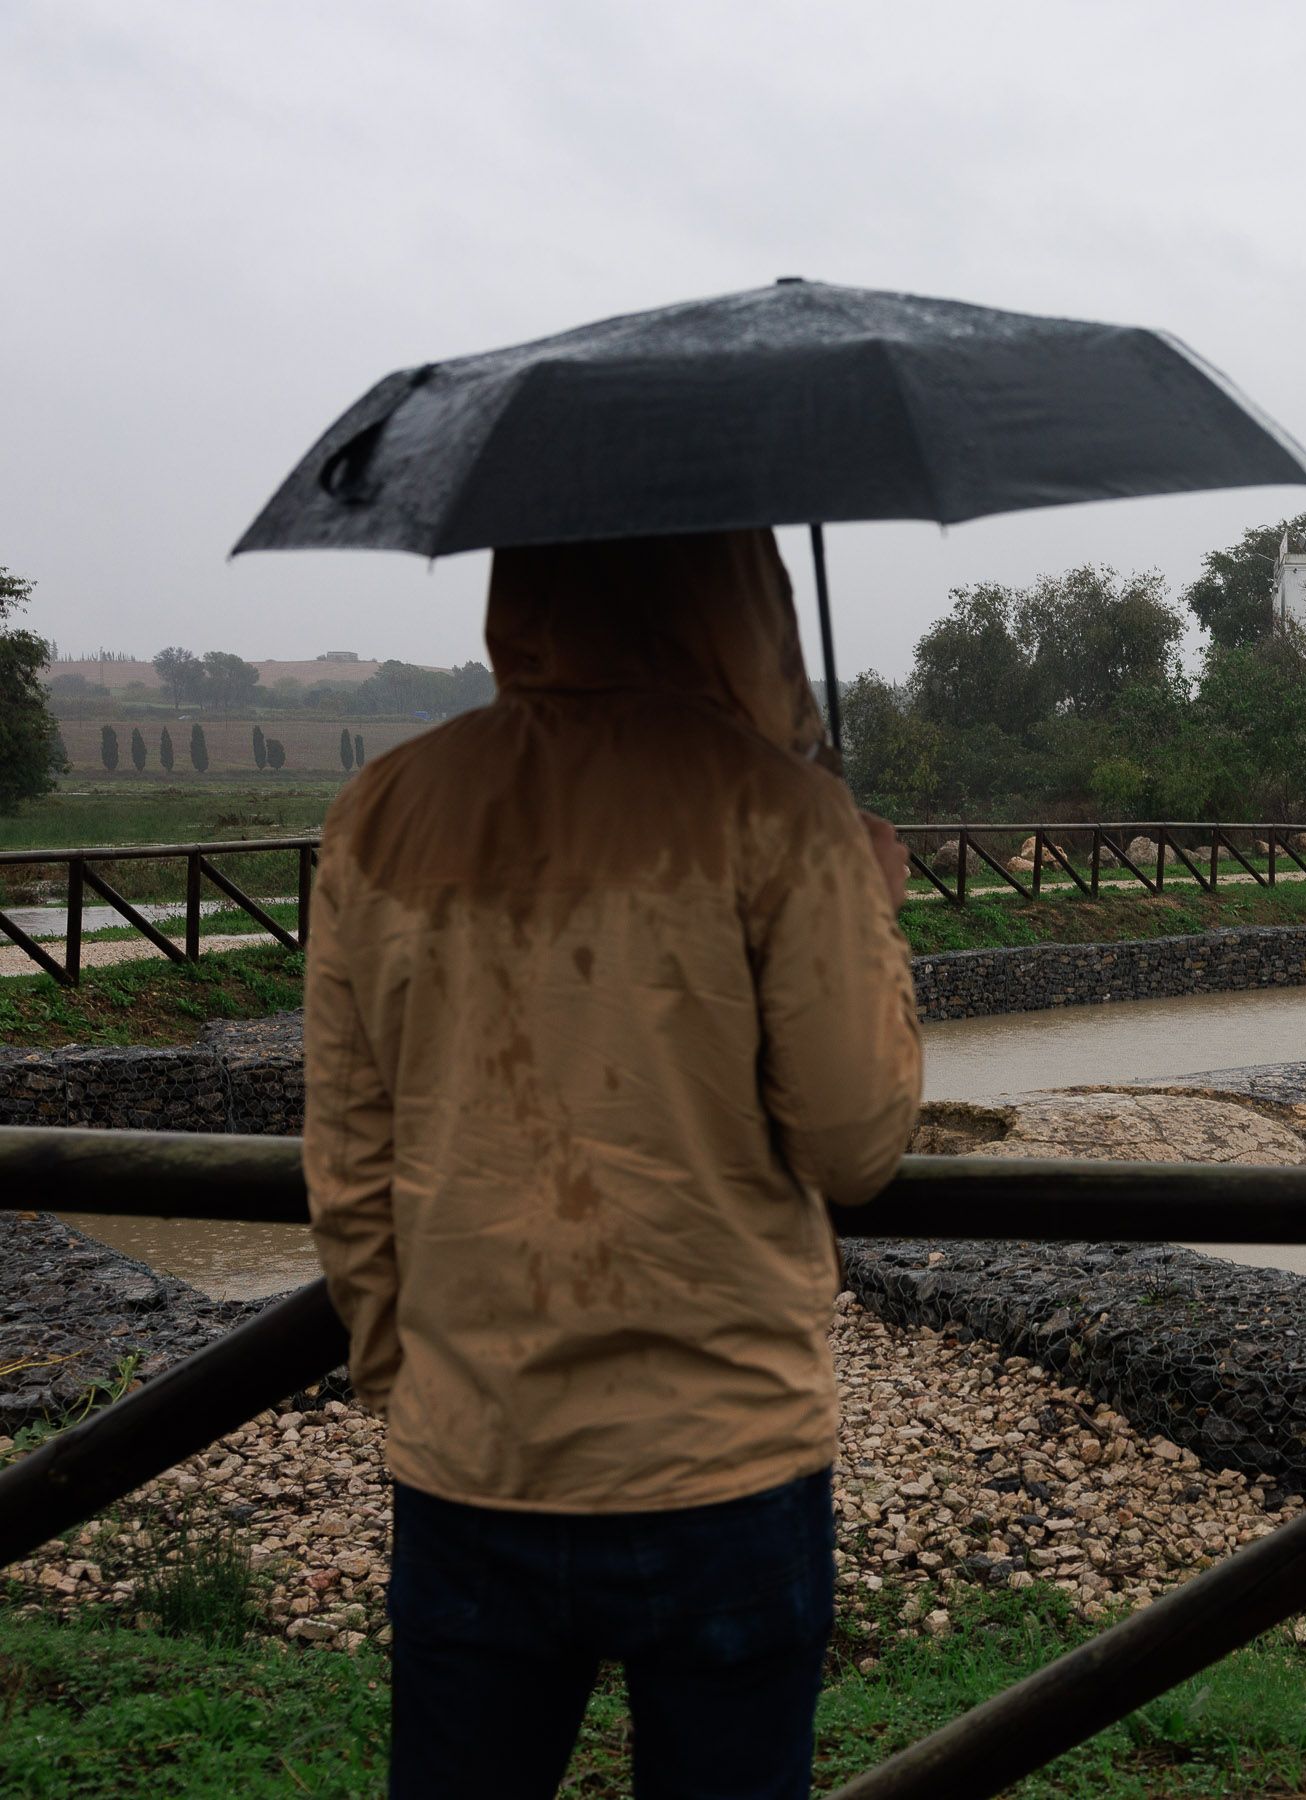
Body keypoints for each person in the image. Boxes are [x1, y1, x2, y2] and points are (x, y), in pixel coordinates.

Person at [302, 530, 923, 1799]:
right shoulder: (779, 811)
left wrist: (406, 1390)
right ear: (738, 595)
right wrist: (872, 911)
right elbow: (855, 1145)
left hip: (472, 1450)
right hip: (723, 1454)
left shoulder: (385, 806)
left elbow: (350, 1155)